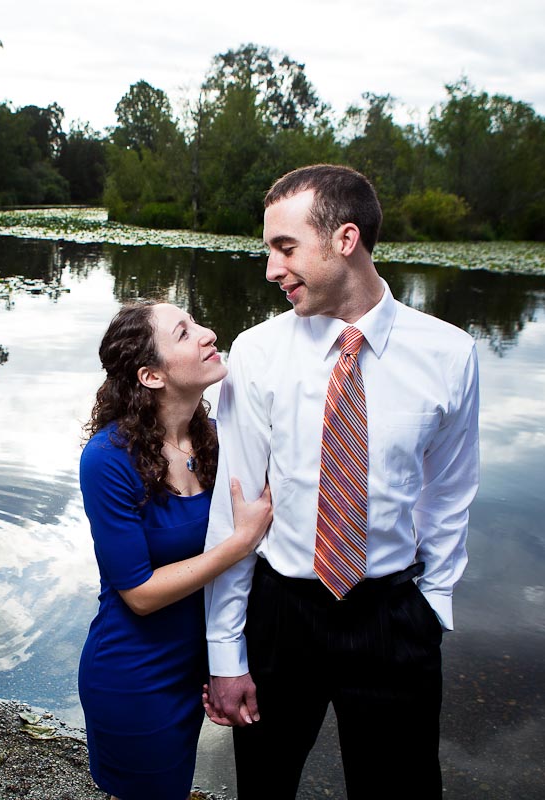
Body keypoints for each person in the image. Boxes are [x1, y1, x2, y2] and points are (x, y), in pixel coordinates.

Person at [203, 165, 480, 799]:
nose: (272, 269)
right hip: (281, 616)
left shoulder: (449, 354)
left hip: (391, 616)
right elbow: (234, 507)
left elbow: (451, 492)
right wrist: (225, 652)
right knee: (264, 788)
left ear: (346, 239)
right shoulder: (257, 351)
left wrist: (433, 602)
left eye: (285, 247)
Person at [79, 301, 273, 800]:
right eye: (185, 333)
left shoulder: (215, 439)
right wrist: (239, 543)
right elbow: (139, 594)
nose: (209, 333)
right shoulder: (107, 459)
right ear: (151, 375)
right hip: (135, 675)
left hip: (197, 666)